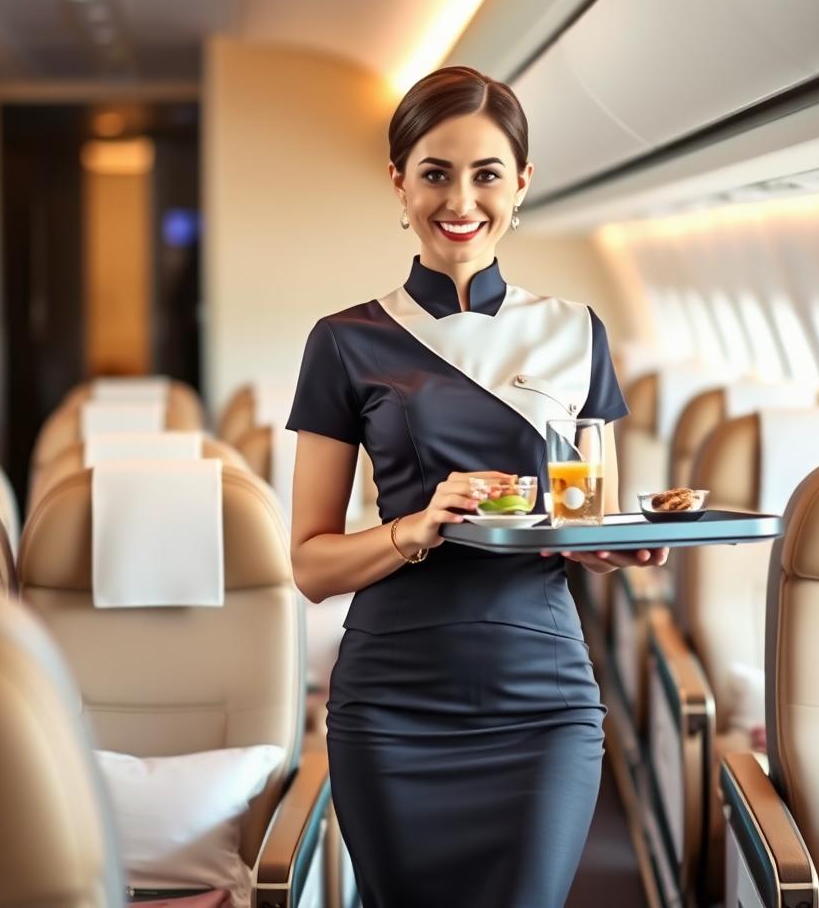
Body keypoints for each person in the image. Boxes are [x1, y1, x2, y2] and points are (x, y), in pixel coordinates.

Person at [286, 65, 668, 907]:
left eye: (487, 173)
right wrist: (413, 526)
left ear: (521, 184)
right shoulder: (345, 342)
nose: (462, 199)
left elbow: (585, 516)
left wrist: (617, 547)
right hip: (393, 699)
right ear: (399, 181)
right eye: (435, 172)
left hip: (544, 696)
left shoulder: (577, 333)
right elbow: (310, 566)